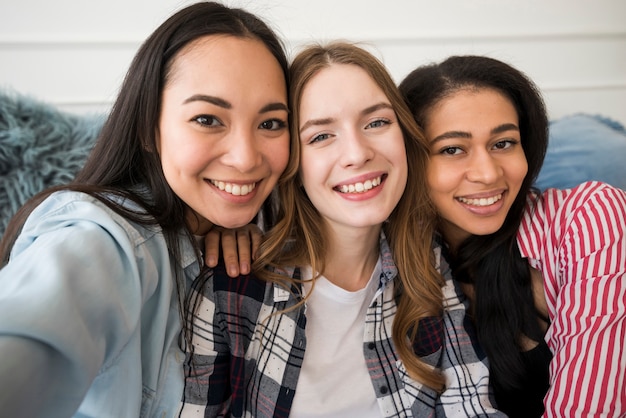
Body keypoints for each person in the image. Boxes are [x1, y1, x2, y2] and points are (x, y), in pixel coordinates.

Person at [183, 41, 505, 418]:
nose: (357, 153)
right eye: (321, 136)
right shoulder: (229, 286)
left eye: (377, 122)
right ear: (293, 164)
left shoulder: (426, 258)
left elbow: (469, 402)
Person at [0, 2, 291, 417]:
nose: (245, 159)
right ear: (148, 128)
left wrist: (249, 225)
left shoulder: (260, 238)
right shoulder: (105, 239)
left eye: (270, 123)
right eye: (208, 119)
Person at [398, 55, 626, 417]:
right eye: (452, 149)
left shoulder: (591, 215)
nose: (488, 174)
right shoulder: (398, 265)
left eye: (503, 143)